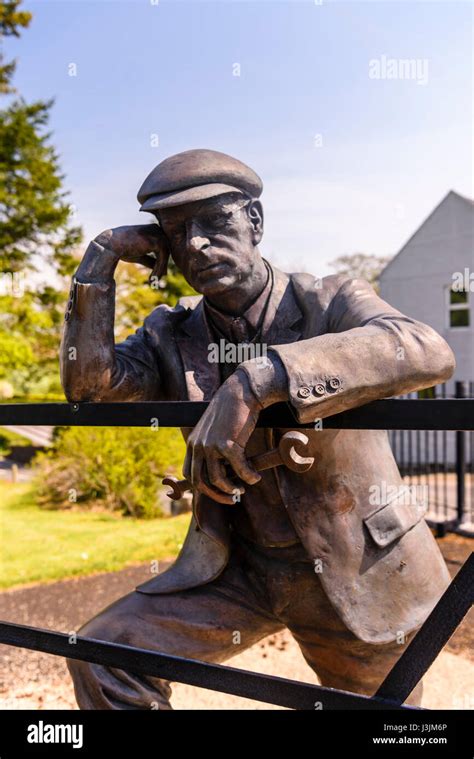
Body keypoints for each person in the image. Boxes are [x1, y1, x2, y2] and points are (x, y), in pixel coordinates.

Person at [61, 149, 455, 709]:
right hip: (235, 572)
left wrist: (261, 377)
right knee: (103, 654)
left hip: (354, 568)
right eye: (176, 233)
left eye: (216, 222)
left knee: (386, 721)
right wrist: (98, 262)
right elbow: (89, 386)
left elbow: (426, 349)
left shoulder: (330, 300)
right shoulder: (169, 332)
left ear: (256, 223)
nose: (195, 244)